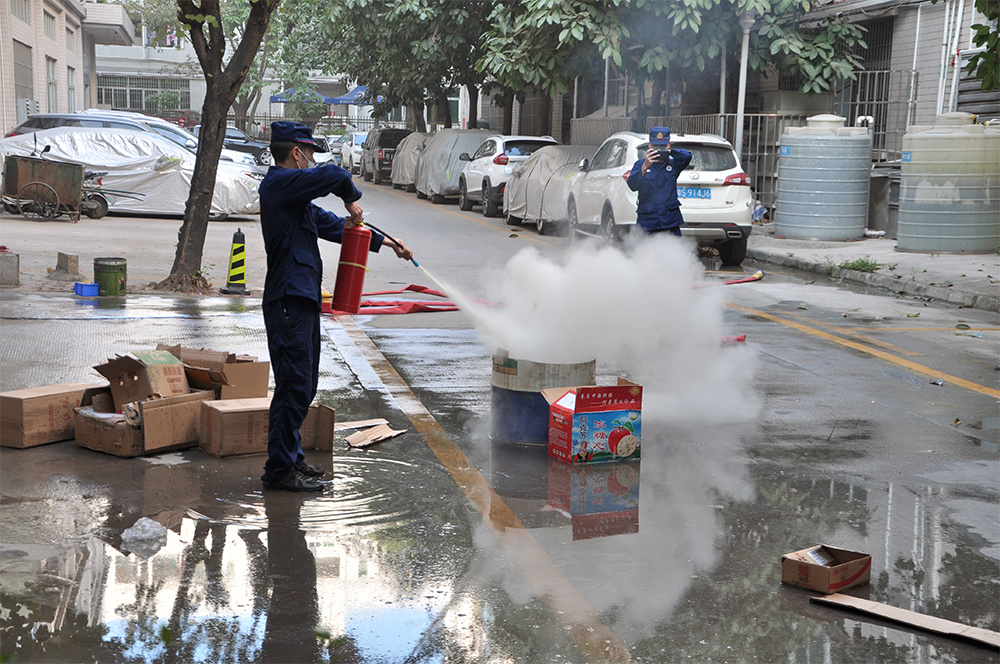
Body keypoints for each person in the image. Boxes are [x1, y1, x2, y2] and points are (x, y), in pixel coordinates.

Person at [259, 121, 413, 492]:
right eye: (309, 152)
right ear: (296, 152)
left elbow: (337, 227)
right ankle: (279, 470)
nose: (312, 160)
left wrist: (387, 243)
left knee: (304, 384)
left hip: (303, 301)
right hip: (288, 301)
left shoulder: (297, 202)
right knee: (293, 386)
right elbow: (336, 175)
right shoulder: (278, 184)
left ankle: (292, 459)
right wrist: (349, 195)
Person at [626, 126, 693, 236]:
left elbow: (687, 156)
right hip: (647, 224)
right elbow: (632, 185)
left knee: (674, 253)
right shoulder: (640, 164)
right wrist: (645, 167)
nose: (659, 150)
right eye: (656, 146)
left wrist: (669, 152)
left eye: (662, 146)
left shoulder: (673, 164)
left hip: (670, 223)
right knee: (642, 253)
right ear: (649, 146)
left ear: (669, 145)